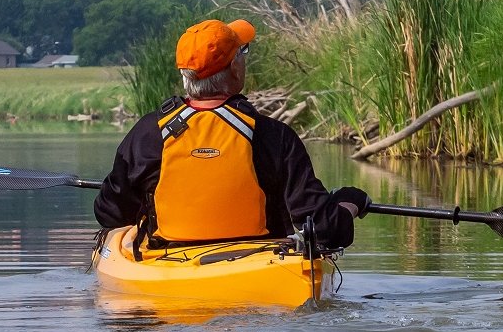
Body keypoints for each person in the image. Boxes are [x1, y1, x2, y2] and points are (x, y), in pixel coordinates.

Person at [94, 18, 370, 253]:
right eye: (243, 52)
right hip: (259, 268)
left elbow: (111, 214)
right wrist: (349, 203)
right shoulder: (273, 136)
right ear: (234, 68)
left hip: (170, 264)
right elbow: (326, 230)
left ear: (185, 75)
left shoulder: (148, 134)